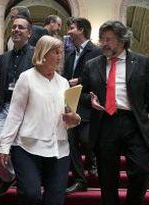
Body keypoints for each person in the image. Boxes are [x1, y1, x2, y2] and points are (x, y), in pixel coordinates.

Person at [0, 36, 81, 205]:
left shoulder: (64, 82)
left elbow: (69, 116)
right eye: (56, 52)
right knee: (30, 194)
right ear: (43, 54)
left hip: (59, 148)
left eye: (60, 53)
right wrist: (4, 146)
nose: (59, 57)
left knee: (54, 204)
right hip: (27, 147)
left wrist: (74, 119)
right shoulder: (27, 78)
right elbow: (14, 114)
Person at [80, 21, 149, 205]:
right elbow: (81, 94)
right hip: (104, 123)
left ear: (122, 40)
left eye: (109, 39)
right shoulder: (91, 65)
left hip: (132, 123)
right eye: (102, 39)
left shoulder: (142, 62)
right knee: (108, 180)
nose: (104, 44)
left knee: (143, 169)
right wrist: (90, 100)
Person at [0, 16, 34, 196]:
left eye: (21, 28)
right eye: (14, 27)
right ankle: (9, 177)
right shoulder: (3, 58)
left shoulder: (35, 55)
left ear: (29, 33)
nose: (16, 30)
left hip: (27, 109)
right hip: (5, 107)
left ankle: (26, 181)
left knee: (21, 147)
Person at [63, 17, 102, 194]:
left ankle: (92, 159)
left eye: (71, 28)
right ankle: (80, 179)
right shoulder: (70, 54)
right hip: (71, 104)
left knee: (87, 141)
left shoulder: (96, 51)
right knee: (71, 141)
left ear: (81, 30)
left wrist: (80, 82)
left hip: (88, 103)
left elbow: (98, 79)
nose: (68, 32)